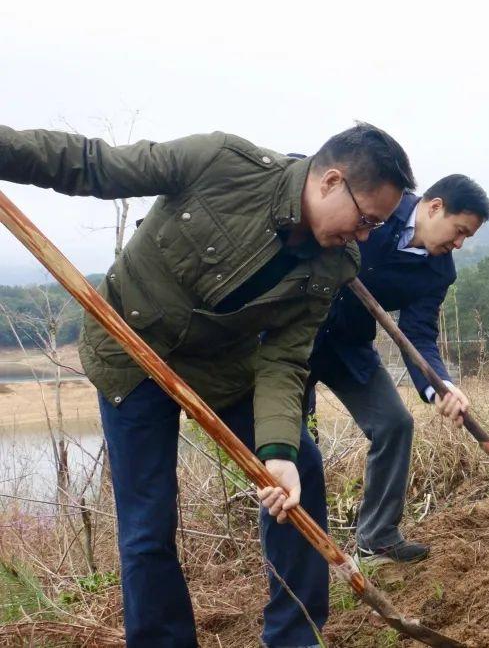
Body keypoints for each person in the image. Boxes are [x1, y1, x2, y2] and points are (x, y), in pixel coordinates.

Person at [0, 122, 414, 647]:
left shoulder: (334, 262)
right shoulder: (221, 163)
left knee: (299, 468)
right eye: (364, 220)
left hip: (220, 365)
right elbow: (91, 162)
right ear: (332, 181)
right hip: (129, 349)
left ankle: (295, 636)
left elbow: (284, 359)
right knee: (148, 526)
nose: (363, 236)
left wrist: (278, 451)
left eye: (373, 227)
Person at [307, 174, 489, 564]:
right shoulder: (380, 207)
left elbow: (419, 333)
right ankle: (302, 550)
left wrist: (440, 386)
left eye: (466, 239)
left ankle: (376, 538)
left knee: (394, 423)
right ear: (435, 206)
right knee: (299, 446)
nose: (458, 244)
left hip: (347, 345)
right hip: (294, 335)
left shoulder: (439, 272)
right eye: (459, 231)